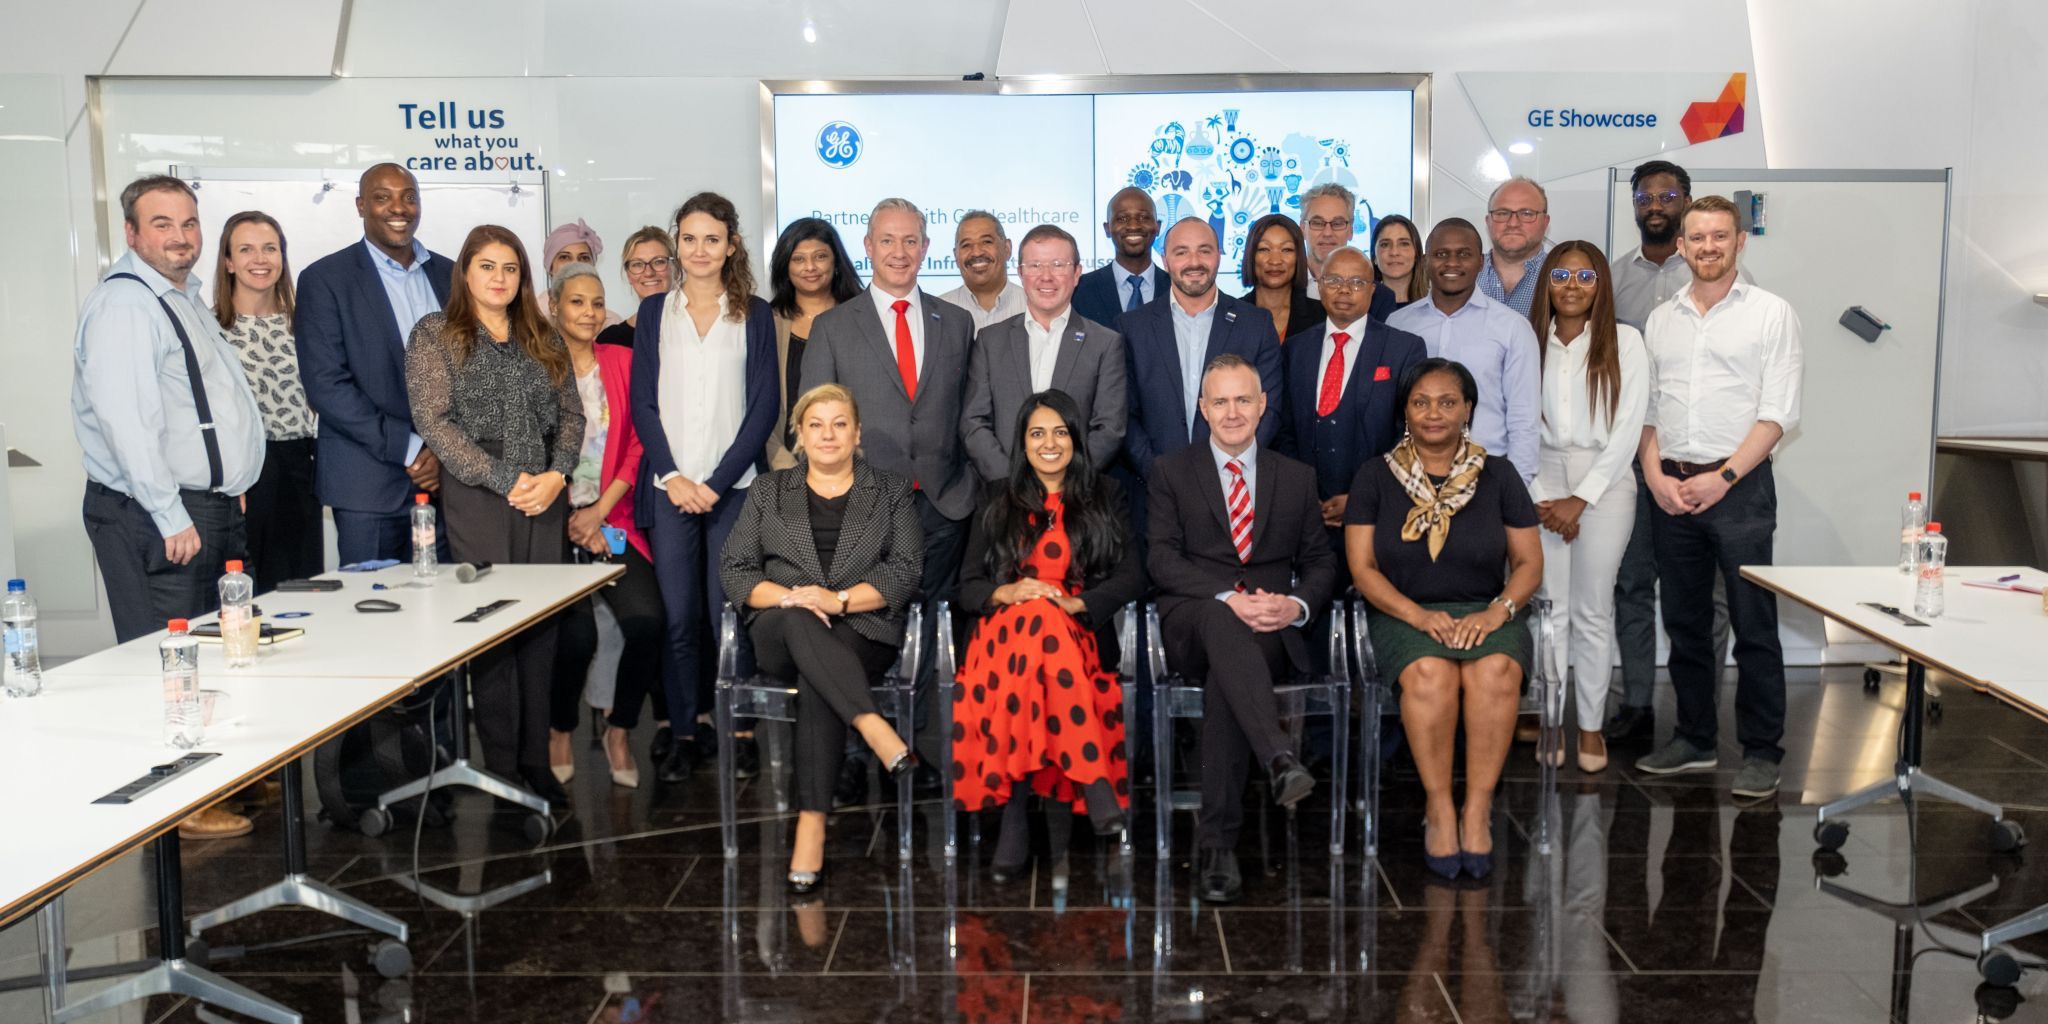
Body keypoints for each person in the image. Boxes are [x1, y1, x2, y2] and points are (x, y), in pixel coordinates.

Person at [74, 175, 266, 840]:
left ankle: (206, 776)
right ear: (131, 233)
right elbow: (127, 422)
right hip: (155, 515)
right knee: (172, 657)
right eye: (161, 224)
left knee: (207, 651)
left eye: (188, 222)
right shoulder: (127, 306)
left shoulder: (175, 298)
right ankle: (179, 802)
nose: (179, 236)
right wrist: (170, 513)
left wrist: (230, 476)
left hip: (199, 506)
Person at [719, 383, 924, 895]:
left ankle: (810, 827)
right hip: (780, 631)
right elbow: (735, 568)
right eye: (816, 424)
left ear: (856, 434)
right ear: (800, 435)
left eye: (839, 424)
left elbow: (905, 571)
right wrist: (794, 599)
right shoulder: (769, 491)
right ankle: (873, 726)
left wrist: (840, 601)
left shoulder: (891, 490)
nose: (828, 434)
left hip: (862, 629)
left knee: (820, 681)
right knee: (798, 618)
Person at [1147, 354, 1336, 903]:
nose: (1233, 412)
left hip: (1271, 630)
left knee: (1229, 683)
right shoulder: (1171, 471)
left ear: (1262, 405)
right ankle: (1277, 755)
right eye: (1221, 401)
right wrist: (1230, 597)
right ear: (1203, 409)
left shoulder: (1295, 477)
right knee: (1219, 620)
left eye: (1243, 400)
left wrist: (1294, 607)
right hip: (1193, 622)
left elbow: (1322, 562)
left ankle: (1217, 845)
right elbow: (1161, 560)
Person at [1634, 195, 1803, 802]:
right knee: (1685, 622)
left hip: (1739, 490)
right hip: (1671, 487)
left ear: (1739, 243)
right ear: (1680, 246)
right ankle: (1696, 739)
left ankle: (1761, 751)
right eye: (1697, 237)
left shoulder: (1771, 314)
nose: (1708, 247)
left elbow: (1777, 414)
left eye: (1719, 237)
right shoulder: (1662, 318)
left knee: (1754, 624)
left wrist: (1723, 478)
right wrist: (1654, 475)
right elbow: (1647, 410)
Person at [800, 198, 978, 774]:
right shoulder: (832, 327)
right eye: (888, 241)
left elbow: (968, 412)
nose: (900, 252)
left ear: (926, 248)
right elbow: (808, 421)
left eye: (911, 241)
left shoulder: (956, 322)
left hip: (943, 501)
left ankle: (922, 748)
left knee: (931, 629)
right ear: (868, 248)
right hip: (861, 510)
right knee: (860, 625)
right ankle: (856, 749)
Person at [405, 224, 582, 803]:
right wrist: (509, 479)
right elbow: (435, 423)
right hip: (480, 493)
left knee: (540, 629)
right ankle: (502, 767)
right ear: (466, 273)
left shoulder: (544, 336)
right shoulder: (435, 334)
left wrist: (557, 476)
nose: (500, 278)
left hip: (546, 495)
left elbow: (572, 417)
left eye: (510, 268)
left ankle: (536, 763)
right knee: (496, 628)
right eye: (487, 266)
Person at [1346, 358, 1542, 880]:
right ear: (1405, 411)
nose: (1434, 413)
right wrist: (1418, 616)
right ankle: (1439, 808)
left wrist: (1498, 611)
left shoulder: (1499, 475)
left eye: (1447, 402)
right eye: (1421, 402)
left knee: (1492, 672)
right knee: (1432, 675)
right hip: (1402, 613)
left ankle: (1476, 809)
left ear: (1468, 410)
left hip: (1486, 612)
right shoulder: (1374, 475)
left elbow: (1528, 564)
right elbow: (1362, 568)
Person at [954, 391, 1146, 881]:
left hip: (1076, 631)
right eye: (1037, 433)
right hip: (1001, 641)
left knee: (1044, 618)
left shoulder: (1104, 494)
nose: (1050, 443)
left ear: (1077, 440)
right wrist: (1012, 592)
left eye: (1061, 432)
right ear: (1022, 442)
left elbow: (1132, 576)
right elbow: (969, 586)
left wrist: (1076, 602)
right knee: (1034, 613)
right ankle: (1094, 779)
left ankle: (1015, 822)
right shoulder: (997, 498)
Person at [631, 191, 779, 783]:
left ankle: (738, 731)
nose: (699, 250)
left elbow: (763, 408)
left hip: (734, 490)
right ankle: (686, 732)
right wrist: (674, 476)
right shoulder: (652, 314)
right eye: (688, 239)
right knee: (677, 617)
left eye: (711, 239)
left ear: (731, 245)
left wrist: (715, 483)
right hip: (670, 489)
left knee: (730, 613)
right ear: (677, 243)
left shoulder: (756, 314)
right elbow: (643, 403)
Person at [1605, 160, 1744, 744]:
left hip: (1707, 466)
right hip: (1636, 458)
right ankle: (1635, 706)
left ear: (1686, 204)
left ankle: (1699, 719)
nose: (1656, 204)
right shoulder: (1609, 279)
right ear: (1633, 204)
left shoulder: (1738, 288)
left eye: (1668, 195)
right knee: (1632, 585)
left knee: (1704, 600)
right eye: (1646, 195)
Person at [1526, 242, 1648, 774]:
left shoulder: (1626, 341)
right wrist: (1539, 497)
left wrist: (1582, 498)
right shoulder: (1527, 341)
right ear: (1546, 283)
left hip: (1607, 482)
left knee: (1594, 609)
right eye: (1560, 274)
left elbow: (1629, 429)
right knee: (1549, 611)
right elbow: (1515, 423)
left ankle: (1591, 726)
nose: (1572, 285)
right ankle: (1553, 719)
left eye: (1584, 275)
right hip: (1542, 477)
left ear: (1601, 283)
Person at [542, 263, 665, 789]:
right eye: (577, 302)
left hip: (611, 519)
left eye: (597, 302)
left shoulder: (623, 360)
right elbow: (528, 450)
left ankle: (620, 728)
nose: (590, 312)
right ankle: (560, 728)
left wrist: (597, 512)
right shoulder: (534, 367)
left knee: (646, 621)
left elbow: (639, 443)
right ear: (554, 307)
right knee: (574, 638)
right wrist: (571, 515)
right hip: (552, 525)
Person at [297, 163, 452, 566]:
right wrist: (414, 450)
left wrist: (444, 452)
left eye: (409, 196)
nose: (398, 208)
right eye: (382, 197)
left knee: (453, 615)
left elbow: (473, 378)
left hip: (450, 485)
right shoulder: (325, 279)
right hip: (367, 486)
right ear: (361, 206)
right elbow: (327, 385)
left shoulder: (453, 276)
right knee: (372, 613)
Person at [1275, 247, 1427, 553]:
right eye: (1333, 280)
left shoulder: (1404, 348)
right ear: (1318, 286)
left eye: (1357, 282)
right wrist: (1305, 497)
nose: (1344, 290)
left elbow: (1409, 435)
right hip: (1308, 518)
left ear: (1373, 290)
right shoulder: (1295, 349)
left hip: (1380, 517)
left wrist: (1363, 496)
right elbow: (1284, 429)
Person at [960, 224, 1127, 482]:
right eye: (1035, 266)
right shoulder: (990, 341)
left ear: (1076, 274)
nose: (1046, 276)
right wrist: (1011, 481)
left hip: (1075, 502)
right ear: (1020, 273)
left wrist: (1063, 483)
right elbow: (974, 423)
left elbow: (1109, 429)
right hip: (1005, 499)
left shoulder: (1105, 344)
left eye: (1058, 265)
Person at [1121, 217, 1281, 485]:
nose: (1194, 262)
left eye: (1204, 250)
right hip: (1157, 492)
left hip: (1236, 489)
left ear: (1219, 256)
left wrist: (1230, 470)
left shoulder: (1256, 324)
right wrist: (1159, 474)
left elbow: (1270, 409)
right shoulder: (1132, 327)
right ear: (1164, 259)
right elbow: (1124, 415)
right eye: (1181, 252)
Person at [213, 210, 319, 591]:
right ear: (228, 261)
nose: (260, 260)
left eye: (270, 249)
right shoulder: (210, 329)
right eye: (246, 249)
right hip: (243, 475)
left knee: (301, 589)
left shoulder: (307, 324)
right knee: (247, 592)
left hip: (301, 467)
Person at [1387, 219, 1541, 483]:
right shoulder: (1398, 324)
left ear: (1481, 262)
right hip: (1410, 477)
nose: (1452, 263)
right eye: (1441, 254)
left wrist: (1515, 490)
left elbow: (1524, 420)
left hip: (1485, 475)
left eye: (1464, 254)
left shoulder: (1512, 328)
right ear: (1425, 261)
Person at [765, 217, 863, 471]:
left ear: (836, 263)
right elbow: (758, 404)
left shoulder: (863, 318)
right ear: (784, 265)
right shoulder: (766, 322)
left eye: (820, 257)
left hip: (855, 466)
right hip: (783, 466)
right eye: (798, 259)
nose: (810, 267)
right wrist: (785, 467)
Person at [1073, 187, 1167, 330]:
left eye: (1143, 217)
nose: (1133, 226)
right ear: (1107, 228)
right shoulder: (1080, 290)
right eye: (1122, 218)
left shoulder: (1175, 288)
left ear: (1157, 226)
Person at [1297, 182, 1396, 317]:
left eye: (1337, 223)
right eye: (1318, 223)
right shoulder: (1282, 289)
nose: (1327, 233)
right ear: (1302, 228)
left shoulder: (1380, 298)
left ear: (1350, 230)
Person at [1238, 213, 1323, 343]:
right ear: (1251, 256)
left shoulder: (1322, 316)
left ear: (1298, 257)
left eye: (1286, 250)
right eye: (1264, 249)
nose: (1275, 261)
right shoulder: (1232, 316)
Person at [1476, 177, 1552, 317]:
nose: (1513, 223)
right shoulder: (1464, 275)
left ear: (1545, 222)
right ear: (1488, 221)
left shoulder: (1563, 278)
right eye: (1502, 213)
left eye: (1527, 214)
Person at [938, 211, 1024, 332]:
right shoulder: (937, 313)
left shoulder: (1033, 306)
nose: (976, 252)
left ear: (1007, 248)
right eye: (966, 245)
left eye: (987, 241)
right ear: (956, 256)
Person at [594, 226, 676, 349]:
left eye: (658, 262)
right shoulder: (611, 339)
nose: (648, 273)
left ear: (675, 268)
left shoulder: (697, 327)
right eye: (637, 264)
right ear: (628, 274)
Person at [1371, 214, 1428, 309]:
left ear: (1416, 254)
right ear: (1374, 257)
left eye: (1404, 244)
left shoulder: (1435, 305)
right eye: (1385, 244)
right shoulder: (1361, 308)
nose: (1394, 252)